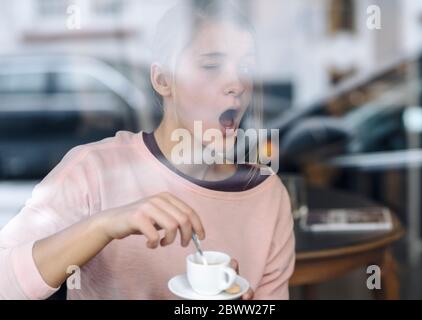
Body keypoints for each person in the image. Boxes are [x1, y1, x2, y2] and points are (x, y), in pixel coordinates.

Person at [0, 0, 295, 299]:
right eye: (211, 65)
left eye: (246, 66)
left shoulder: (267, 196)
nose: (237, 83)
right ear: (163, 80)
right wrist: (102, 227)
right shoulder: (93, 169)